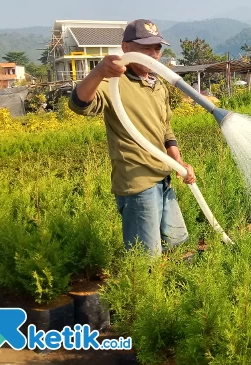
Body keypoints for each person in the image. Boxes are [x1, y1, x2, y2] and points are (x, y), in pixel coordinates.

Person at [69, 19, 196, 256]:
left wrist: (178, 162)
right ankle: (145, 292)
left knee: (177, 241)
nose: (153, 54)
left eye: (157, 48)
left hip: (163, 177)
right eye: (145, 48)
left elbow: (165, 129)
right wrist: (98, 71)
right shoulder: (112, 82)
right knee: (145, 257)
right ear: (126, 48)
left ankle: (165, 290)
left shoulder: (158, 85)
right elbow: (78, 104)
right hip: (138, 185)